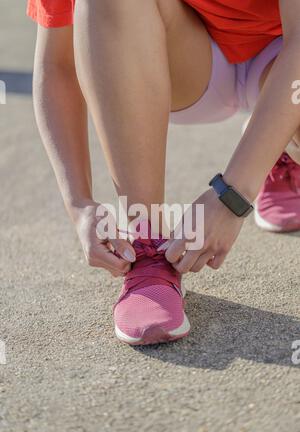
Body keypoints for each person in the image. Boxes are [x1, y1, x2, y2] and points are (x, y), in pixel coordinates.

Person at [27, 0, 300, 345]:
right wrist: (79, 203)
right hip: (187, 54)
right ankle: (147, 245)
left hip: (283, 51)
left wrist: (234, 196)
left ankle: (278, 148)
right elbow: (57, 64)